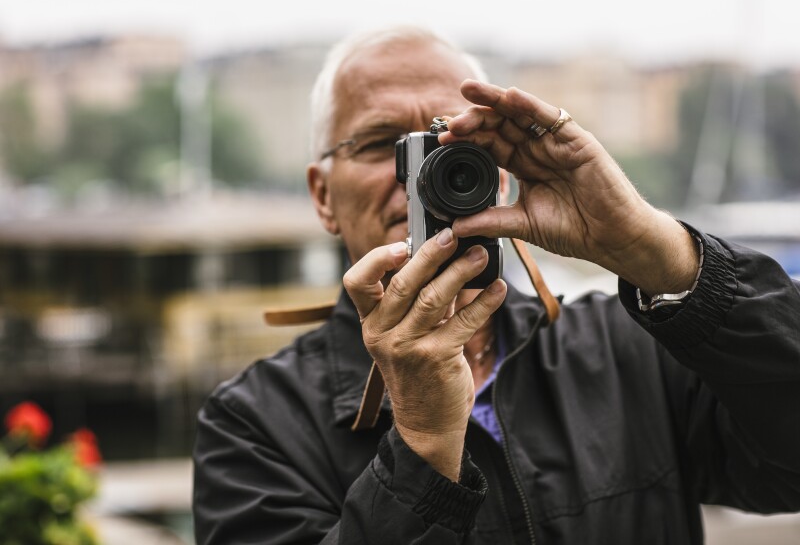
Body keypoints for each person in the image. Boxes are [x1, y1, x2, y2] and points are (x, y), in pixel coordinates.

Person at [192, 27, 800, 544]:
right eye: (386, 145)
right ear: (323, 196)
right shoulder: (253, 426)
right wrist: (424, 442)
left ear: (501, 177)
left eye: (451, 144)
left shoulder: (628, 350)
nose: (419, 176)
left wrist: (651, 248)